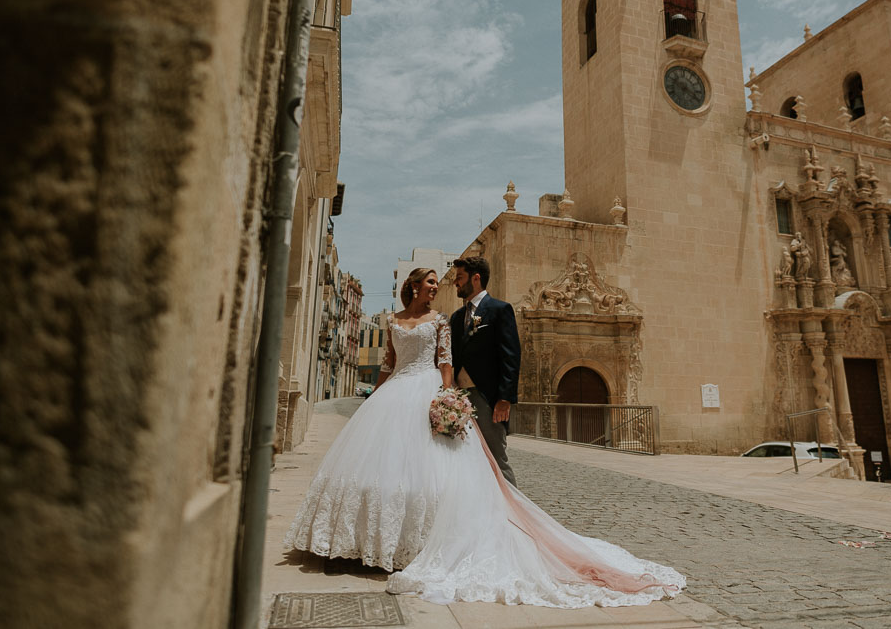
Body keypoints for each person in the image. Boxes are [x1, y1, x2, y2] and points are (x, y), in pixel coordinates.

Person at [284, 265, 683, 607]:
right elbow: (390, 362)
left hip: (446, 392)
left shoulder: (468, 315)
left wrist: (458, 397)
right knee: (392, 466)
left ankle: (510, 518)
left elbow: (468, 360)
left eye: (449, 280)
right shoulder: (423, 320)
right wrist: (376, 396)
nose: (439, 287)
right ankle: (371, 540)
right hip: (396, 395)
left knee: (481, 465)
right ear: (411, 287)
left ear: (472, 279)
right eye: (430, 283)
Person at [450, 256, 520, 486]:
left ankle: (515, 512)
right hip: (459, 400)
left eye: (459, 278)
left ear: (476, 278)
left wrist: (504, 399)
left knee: (496, 458)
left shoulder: (500, 310)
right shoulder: (457, 317)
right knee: (462, 457)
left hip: (488, 399)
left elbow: (511, 357)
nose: (455, 283)